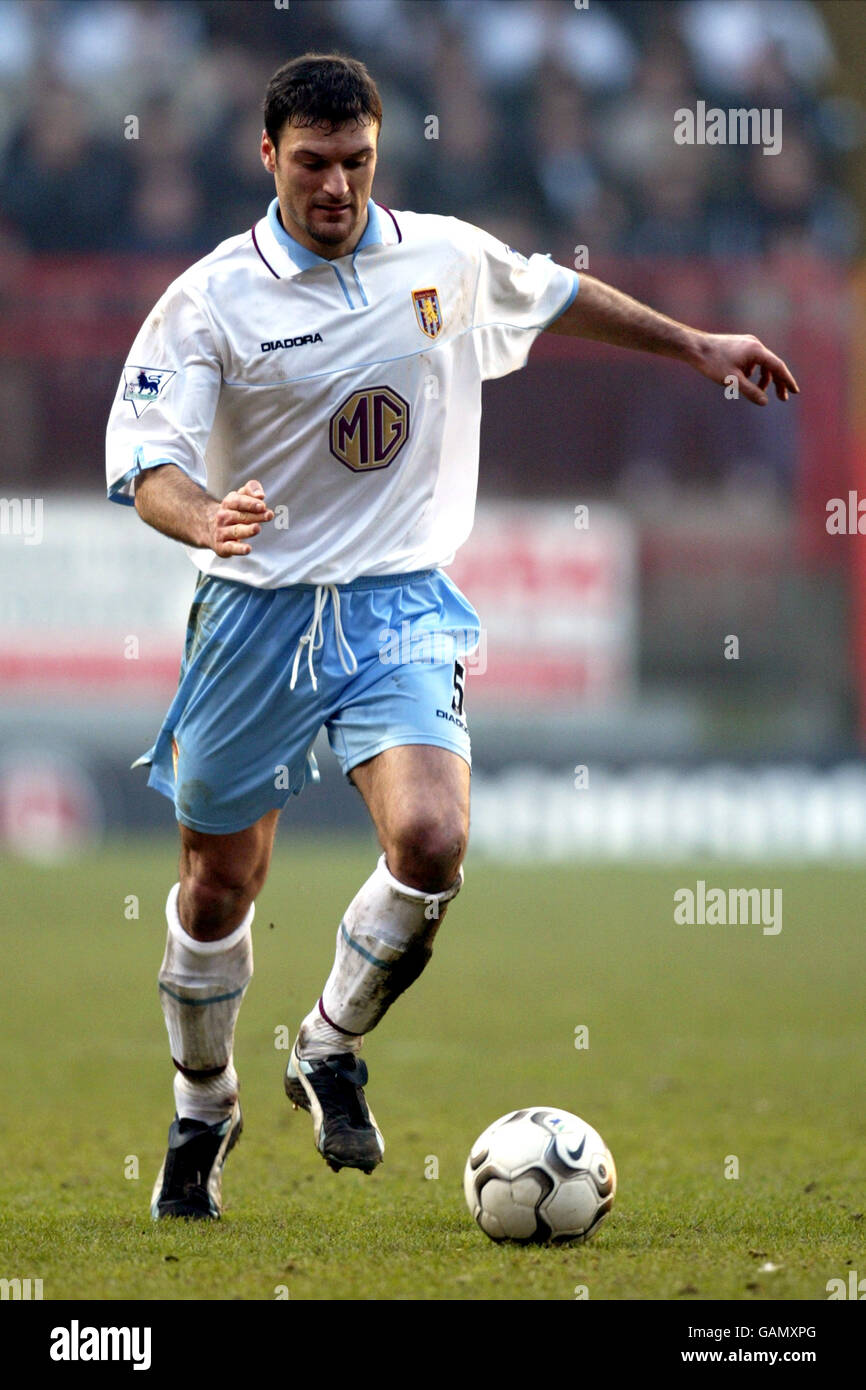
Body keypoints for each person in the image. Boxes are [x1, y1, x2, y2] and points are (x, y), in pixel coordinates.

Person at [105, 53, 798, 1220]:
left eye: (357, 162)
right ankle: (202, 1106)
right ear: (266, 155)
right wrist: (205, 518)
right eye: (313, 163)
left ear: (380, 154)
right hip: (256, 610)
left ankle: (326, 1045)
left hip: (398, 603)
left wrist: (695, 346)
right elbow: (146, 464)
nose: (336, 185)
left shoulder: (440, 257)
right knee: (218, 887)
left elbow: (557, 294)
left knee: (430, 840)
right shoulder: (208, 300)